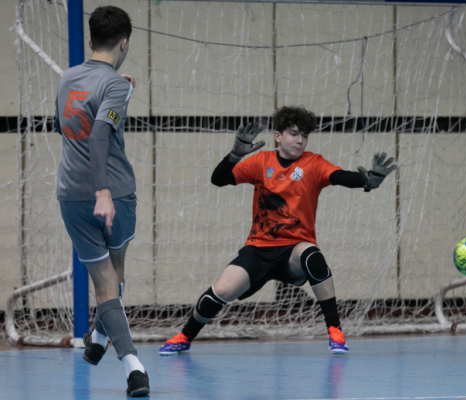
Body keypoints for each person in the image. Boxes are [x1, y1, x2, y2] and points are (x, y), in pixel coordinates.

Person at [159, 106, 396, 356]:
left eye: (304, 135)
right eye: (294, 133)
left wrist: (367, 180)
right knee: (220, 292)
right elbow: (218, 179)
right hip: (258, 249)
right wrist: (234, 155)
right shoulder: (261, 162)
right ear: (278, 136)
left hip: (293, 250)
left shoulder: (314, 163)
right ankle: (185, 336)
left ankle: (335, 330)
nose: (300, 140)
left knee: (312, 255)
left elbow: (340, 176)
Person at [55, 6, 149, 397]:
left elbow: (69, 124)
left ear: (91, 40)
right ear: (124, 43)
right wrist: (104, 192)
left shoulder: (67, 78)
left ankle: (97, 339)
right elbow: (97, 135)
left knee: (106, 280)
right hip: (113, 193)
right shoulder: (116, 85)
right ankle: (134, 368)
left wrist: (117, 90)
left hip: (71, 193)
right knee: (112, 280)